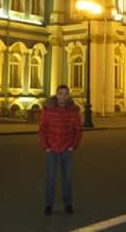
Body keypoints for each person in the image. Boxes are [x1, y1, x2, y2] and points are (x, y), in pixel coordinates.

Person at [39, 85, 83, 216]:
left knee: (67, 178)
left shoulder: (73, 111)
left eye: (65, 94)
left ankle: (68, 203)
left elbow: (78, 130)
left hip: (66, 148)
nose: (63, 96)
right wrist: (45, 146)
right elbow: (42, 129)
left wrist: (73, 146)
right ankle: (48, 204)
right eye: (60, 94)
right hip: (52, 148)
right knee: (50, 178)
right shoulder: (48, 110)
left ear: (68, 96)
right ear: (56, 95)